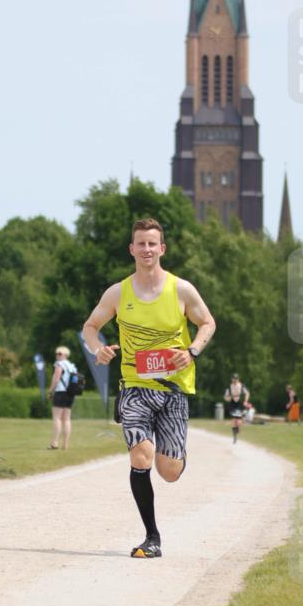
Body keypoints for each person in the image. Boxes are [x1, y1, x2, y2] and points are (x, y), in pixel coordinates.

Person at [82, 217, 216, 559]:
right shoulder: (117, 292)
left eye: (152, 243)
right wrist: (98, 349)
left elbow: (207, 322)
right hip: (134, 388)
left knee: (168, 472)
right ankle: (151, 537)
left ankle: (177, 456)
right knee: (140, 456)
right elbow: (91, 327)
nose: (146, 249)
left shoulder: (181, 289)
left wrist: (192, 351)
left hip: (173, 389)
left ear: (162, 249)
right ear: (132, 249)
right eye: (140, 243)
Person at [48, 346, 77, 450]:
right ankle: (65, 444)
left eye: (60, 353)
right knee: (67, 419)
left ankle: (55, 443)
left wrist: (51, 391)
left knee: (57, 418)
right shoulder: (72, 366)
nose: (57, 355)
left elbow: (56, 379)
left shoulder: (59, 364)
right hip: (70, 393)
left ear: (65, 355)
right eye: (57, 353)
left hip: (61, 392)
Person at [224, 373, 250, 443]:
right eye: (233, 379)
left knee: (238, 421)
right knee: (234, 419)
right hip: (232, 404)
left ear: (238, 379)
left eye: (236, 379)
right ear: (231, 379)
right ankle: (234, 436)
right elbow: (226, 397)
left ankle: (237, 428)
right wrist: (228, 399)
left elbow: (247, 393)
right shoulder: (229, 387)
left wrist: (245, 401)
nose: (235, 380)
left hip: (240, 404)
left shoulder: (242, 386)